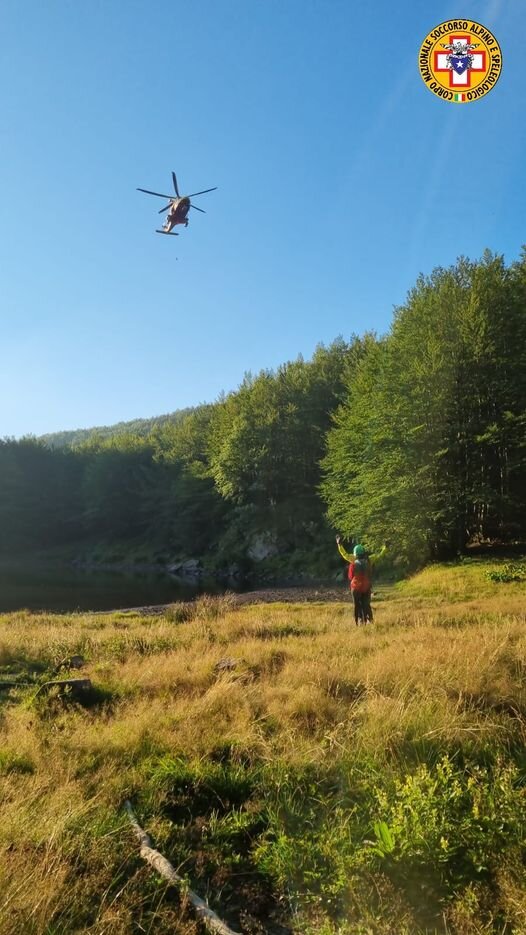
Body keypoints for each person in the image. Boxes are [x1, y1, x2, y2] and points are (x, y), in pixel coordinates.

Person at [336, 536, 386, 625]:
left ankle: (358, 622)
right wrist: (385, 547)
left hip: (356, 587)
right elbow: (380, 555)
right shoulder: (370, 559)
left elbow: (344, 554)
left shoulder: (353, 559)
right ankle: (370, 621)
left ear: (355, 553)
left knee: (356, 605)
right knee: (366, 605)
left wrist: (339, 544)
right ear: (364, 552)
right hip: (366, 586)